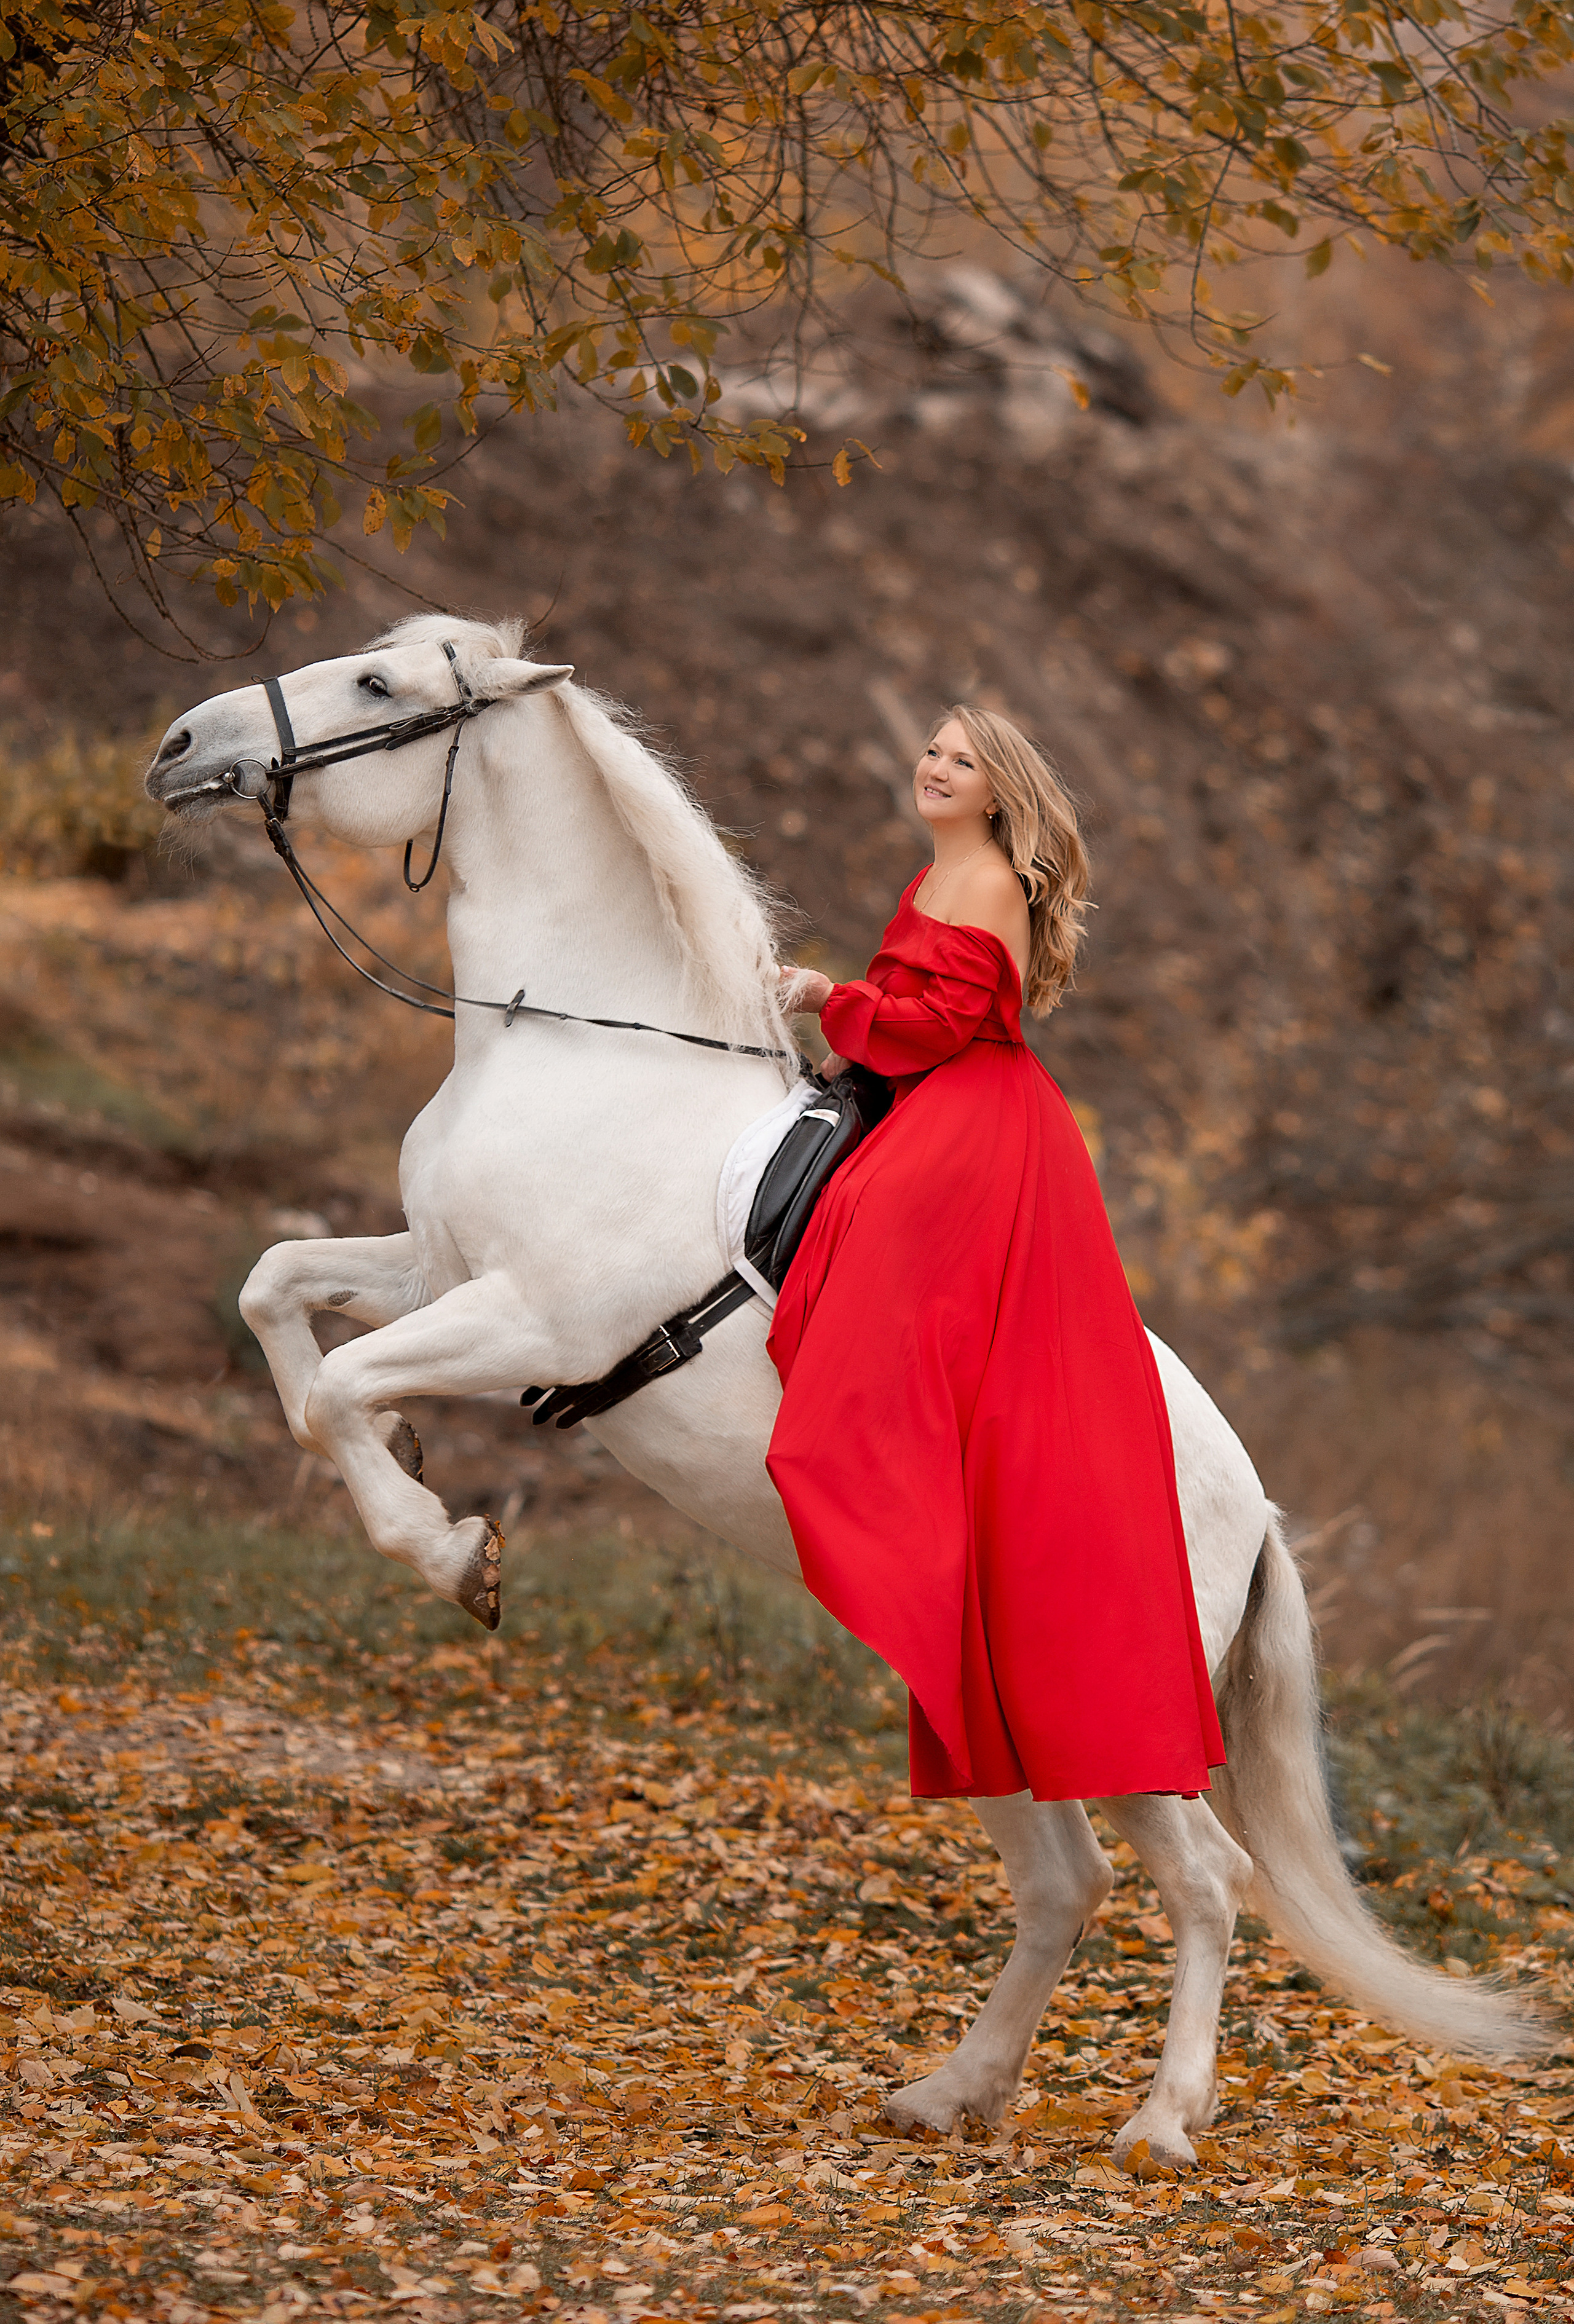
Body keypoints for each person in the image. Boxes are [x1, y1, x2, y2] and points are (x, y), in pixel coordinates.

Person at [769, 707, 1224, 1803]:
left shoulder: (987, 885)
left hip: (981, 1120)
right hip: (936, 1099)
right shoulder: (934, 874)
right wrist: (846, 1038)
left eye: (961, 760)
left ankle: (884, 1466)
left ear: (997, 789)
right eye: (933, 749)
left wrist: (830, 998)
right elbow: (909, 1016)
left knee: (874, 1235)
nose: (935, 767)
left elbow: (937, 1025)